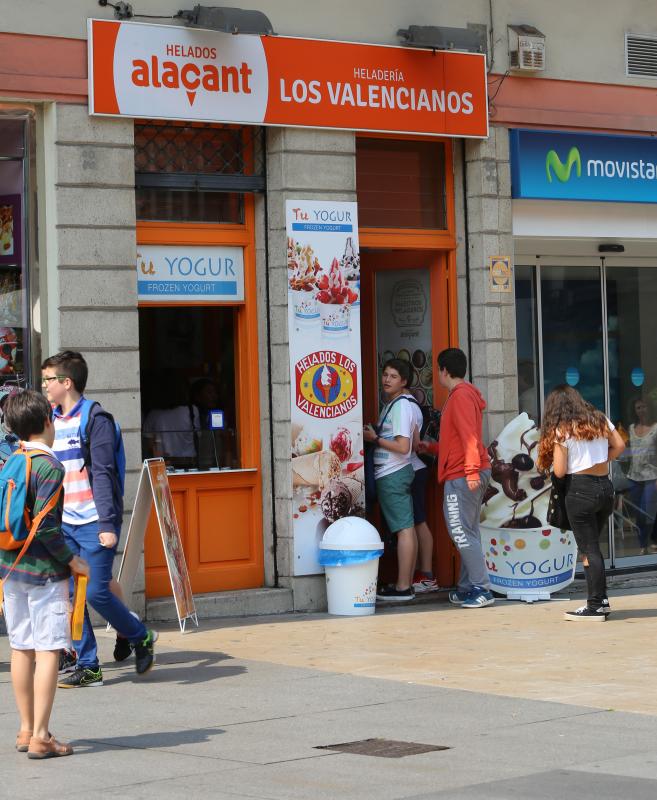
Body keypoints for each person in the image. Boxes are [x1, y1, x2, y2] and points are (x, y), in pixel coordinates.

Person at [41, 351, 157, 686]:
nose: (45, 385)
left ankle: (139, 635)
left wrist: (108, 525)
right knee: (69, 594)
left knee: (95, 593)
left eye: (49, 379)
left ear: (67, 382)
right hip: (62, 522)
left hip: (94, 521)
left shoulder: (95, 420)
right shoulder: (48, 420)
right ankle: (88, 664)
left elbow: (104, 474)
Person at [0, 390, 89, 758]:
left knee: (20, 647)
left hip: (11, 569)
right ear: (47, 423)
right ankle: (41, 736)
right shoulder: (49, 466)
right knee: (49, 649)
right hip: (44, 574)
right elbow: (49, 529)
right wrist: (72, 561)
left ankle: (24, 730)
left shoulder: (10, 460)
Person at [537, 384, 625, 621]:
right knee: (592, 547)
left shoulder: (562, 429)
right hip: (605, 488)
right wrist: (601, 461)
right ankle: (600, 601)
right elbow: (620, 445)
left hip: (579, 491)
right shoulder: (599, 419)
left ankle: (596, 605)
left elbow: (560, 470)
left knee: (589, 548)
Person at [417, 348, 493, 608]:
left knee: (460, 531)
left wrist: (471, 471)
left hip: (463, 474)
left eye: (437, 369)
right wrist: (431, 448)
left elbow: (469, 437)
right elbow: (458, 440)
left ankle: (482, 588)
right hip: (467, 470)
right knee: (468, 531)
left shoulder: (460, 397)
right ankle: (466, 587)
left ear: (444, 370)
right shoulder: (465, 395)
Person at [364, 359, 419, 602]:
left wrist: (374, 439)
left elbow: (403, 446)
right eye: (385, 374)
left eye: (393, 376)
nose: (387, 379)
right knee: (406, 527)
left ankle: (403, 587)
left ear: (404, 381)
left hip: (392, 471)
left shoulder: (399, 407)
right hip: (397, 471)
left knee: (403, 529)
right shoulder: (401, 404)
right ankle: (405, 583)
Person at [625, 397, 657, 555]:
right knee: (638, 513)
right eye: (638, 407)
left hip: (652, 476)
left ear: (649, 408)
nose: (641, 410)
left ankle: (652, 541)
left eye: (644, 406)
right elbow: (629, 451)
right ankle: (643, 545)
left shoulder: (656, 427)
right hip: (634, 477)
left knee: (648, 511)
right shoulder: (631, 428)